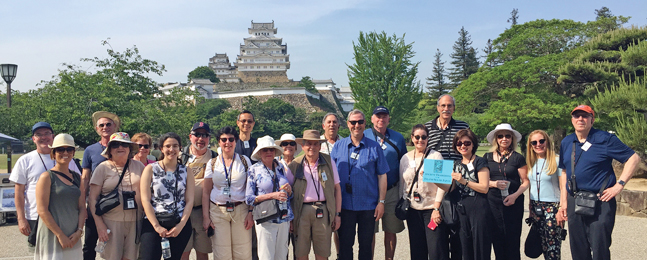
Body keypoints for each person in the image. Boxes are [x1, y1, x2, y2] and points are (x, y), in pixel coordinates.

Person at [559, 105, 640, 260]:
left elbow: (633, 158)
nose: (580, 119)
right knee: (578, 248)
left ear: (592, 120)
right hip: (574, 199)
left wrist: (619, 185)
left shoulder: (605, 139)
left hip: (600, 200)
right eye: (577, 116)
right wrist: (563, 202)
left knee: (599, 247)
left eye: (585, 116)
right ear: (572, 120)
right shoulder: (567, 142)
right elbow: (563, 172)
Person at [10, 122, 81, 250]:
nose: (43, 137)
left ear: (52, 136)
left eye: (47, 133)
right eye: (38, 134)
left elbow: (77, 187)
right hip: (35, 216)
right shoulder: (25, 160)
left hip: (65, 215)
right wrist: (21, 218)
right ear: (33, 139)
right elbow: (18, 192)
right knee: (42, 253)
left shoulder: (67, 158)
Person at [330, 109, 388, 260]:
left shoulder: (374, 147)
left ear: (365, 123)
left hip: (368, 206)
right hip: (345, 205)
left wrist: (381, 202)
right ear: (348, 124)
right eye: (353, 122)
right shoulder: (338, 147)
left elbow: (382, 175)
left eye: (360, 122)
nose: (357, 125)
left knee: (366, 246)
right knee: (345, 245)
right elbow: (331, 177)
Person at [424, 94, 468, 260]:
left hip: (457, 179)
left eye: (449, 106)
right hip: (435, 179)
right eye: (443, 105)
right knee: (438, 229)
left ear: (454, 108)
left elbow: (468, 147)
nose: (446, 109)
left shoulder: (462, 126)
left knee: (456, 226)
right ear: (438, 108)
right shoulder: (428, 127)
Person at [89, 132, 145, 260]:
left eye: (124, 144)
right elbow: (92, 199)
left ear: (130, 149)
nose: (120, 147)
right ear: (109, 150)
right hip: (111, 222)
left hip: (136, 221)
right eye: (115, 145)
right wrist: (100, 225)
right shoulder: (102, 168)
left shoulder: (140, 166)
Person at [139, 132, 195, 260]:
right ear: (161, 149)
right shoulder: (150, 169)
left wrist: (180, 225)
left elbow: (189, 200)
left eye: (175, 146)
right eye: (168, 146)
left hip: (178, 223)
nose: (171, 149)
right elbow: (145, 199)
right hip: (154, 222)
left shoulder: (186, 171)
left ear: (180, 148)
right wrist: (156, 226)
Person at [287, 130, 342, 260]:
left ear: (319, 146)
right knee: (301, 252)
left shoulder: (328, 162)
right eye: (308, 144)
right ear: (303, 146)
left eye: (315, 144)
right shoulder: (295, 164)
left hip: (323, 210)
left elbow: (337, 188)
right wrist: (290, 218)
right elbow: (287, 192)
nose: (312, 147)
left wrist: (337, 214)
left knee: (322, 253)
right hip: (301, 212)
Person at [202, 126, 254, 260]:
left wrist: (250, 212)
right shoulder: (212, 163)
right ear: (219, 142)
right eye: (223, 139)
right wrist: (206, 217)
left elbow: (250, 190)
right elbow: (206, 192)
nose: (227, 143)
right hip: (218, 211)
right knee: (221, 254)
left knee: (243, 252)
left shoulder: (244, 161)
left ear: (235, 141)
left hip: (240, 209)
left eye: (231, 139)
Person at [363, 106, 406, 260]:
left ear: (388, 118)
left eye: (384, 116)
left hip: (391, 190)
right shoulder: (364, 135)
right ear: (372, 118)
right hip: (370, 190)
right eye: (378, 116)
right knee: (369, 231)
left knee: (391, 229)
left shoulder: (398, 138)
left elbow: (404, 163)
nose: (381, 119)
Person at [399, 124, 448, 260]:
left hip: (431, 209)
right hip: (413, 209)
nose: (420, 140)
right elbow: (402, 185)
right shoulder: (405, 158)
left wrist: (437, 208)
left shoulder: (436, 156)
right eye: (417, 137)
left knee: (436, 249)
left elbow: (442, 185)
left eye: (424, 137)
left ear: (428, 138)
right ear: (412, 138)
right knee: (417, 248)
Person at [34, 133, 85, 259]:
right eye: (60, 149)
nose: (65, 152)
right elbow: (42, 210)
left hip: (73, 235)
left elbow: (82, 207)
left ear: (73, 152)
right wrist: (60, 235)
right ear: (53, 153)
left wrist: (79, 231)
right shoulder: (47, 177)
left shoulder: (77, 177)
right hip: (52, 234)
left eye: (69, 149)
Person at [484, 123, 529, 260]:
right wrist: (493, 184)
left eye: (507, 136)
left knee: (512, 240)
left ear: (512, 138)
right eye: (501, 136)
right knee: (497, 239)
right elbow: (482, 181)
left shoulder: (518, 158)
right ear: (496, 139)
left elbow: (525, 181)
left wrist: (515, 196)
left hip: (513, 202)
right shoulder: (486, 157)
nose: (504, 139)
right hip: (493, 202)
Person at [246, 135, 294, 260]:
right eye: (265, 150)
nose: (268, 152)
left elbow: (288, 194)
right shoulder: (253, 170)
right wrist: (273, 195)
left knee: (282, 255)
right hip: (266, 218)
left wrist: (289, 191)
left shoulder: (280, 167)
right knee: (266, 256)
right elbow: (249, 198)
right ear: (259, 152)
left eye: (271, 149)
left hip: (283, 217)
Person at [445, 129, 491, 260]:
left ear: (473, 144)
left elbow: (484, 188)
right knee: (464, 247)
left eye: (467, 143)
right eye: (459, 143)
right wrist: (434, 180)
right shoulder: (456, 164)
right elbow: (451, 187)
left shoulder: (480, 162)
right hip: (461, 209)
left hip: (478, 207)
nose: (463, 146)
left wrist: (464, 181)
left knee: (480, 246)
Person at [81, 111, 120, 260]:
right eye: (101, 125)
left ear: (114, 126)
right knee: (90, 242)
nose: (105, 127)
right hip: (95, 201)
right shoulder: (90, 150)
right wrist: (83, 203)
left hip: (115, 201)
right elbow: (85, 177)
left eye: (108, 124)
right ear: (97, 129)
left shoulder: (122, 147)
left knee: (115, 242)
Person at [180, 122, 218, 260]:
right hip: (183, 212)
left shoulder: (214, 157)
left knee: (203, 251)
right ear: (190, 136)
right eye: (197, 135)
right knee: (183, 251)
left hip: (204, 211)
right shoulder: (180, 156)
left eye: (205, 135)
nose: (201, 139)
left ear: (209, 138)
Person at [526, 130, 566, 260]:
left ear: (547, 142)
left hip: (552, 207)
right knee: (539, 245)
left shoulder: (557, 160)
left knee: (552, 247)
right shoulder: (531, 162)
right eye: (534, 142)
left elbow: (563, 186)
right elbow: (531, 185)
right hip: (536, 207)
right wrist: (530, 208)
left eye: (541, 141)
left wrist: (562, 208)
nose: (538, 145)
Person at [319, 112, 344, 259]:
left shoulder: (345, 143)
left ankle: (340, 255)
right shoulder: (317, 143)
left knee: (339, 229)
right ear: (323, 125)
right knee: (324, 230)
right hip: (323, 192)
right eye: (329, 122)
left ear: (339, 126)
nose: (332, 125)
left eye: (334, 122)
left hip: (340, 190)